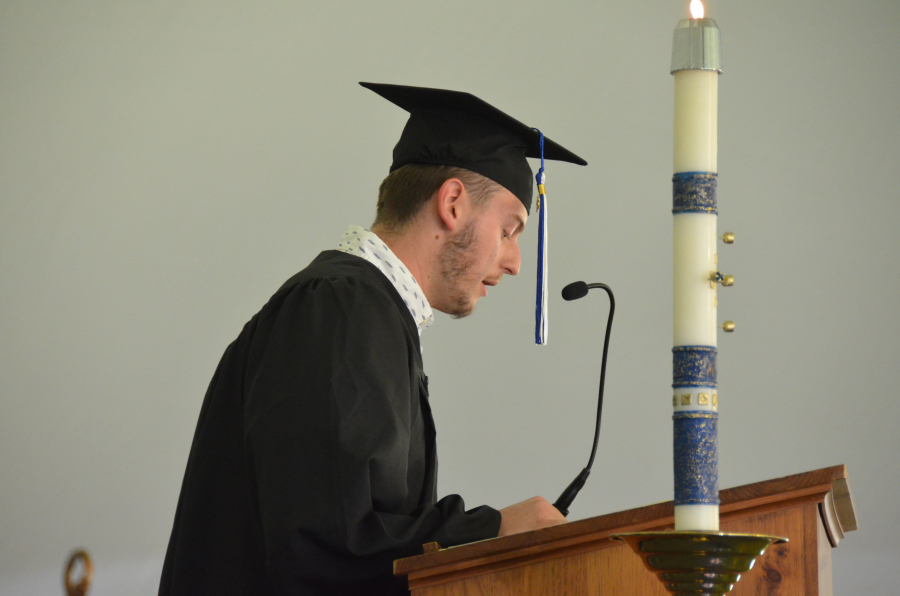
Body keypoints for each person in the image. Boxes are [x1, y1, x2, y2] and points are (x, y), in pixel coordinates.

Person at [159, 83, 587, 596]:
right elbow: (326, 542)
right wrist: (492, 530)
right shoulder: (338, 307)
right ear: (452, 203)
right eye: (510, 229)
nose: (516, 261)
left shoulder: (368, 313)